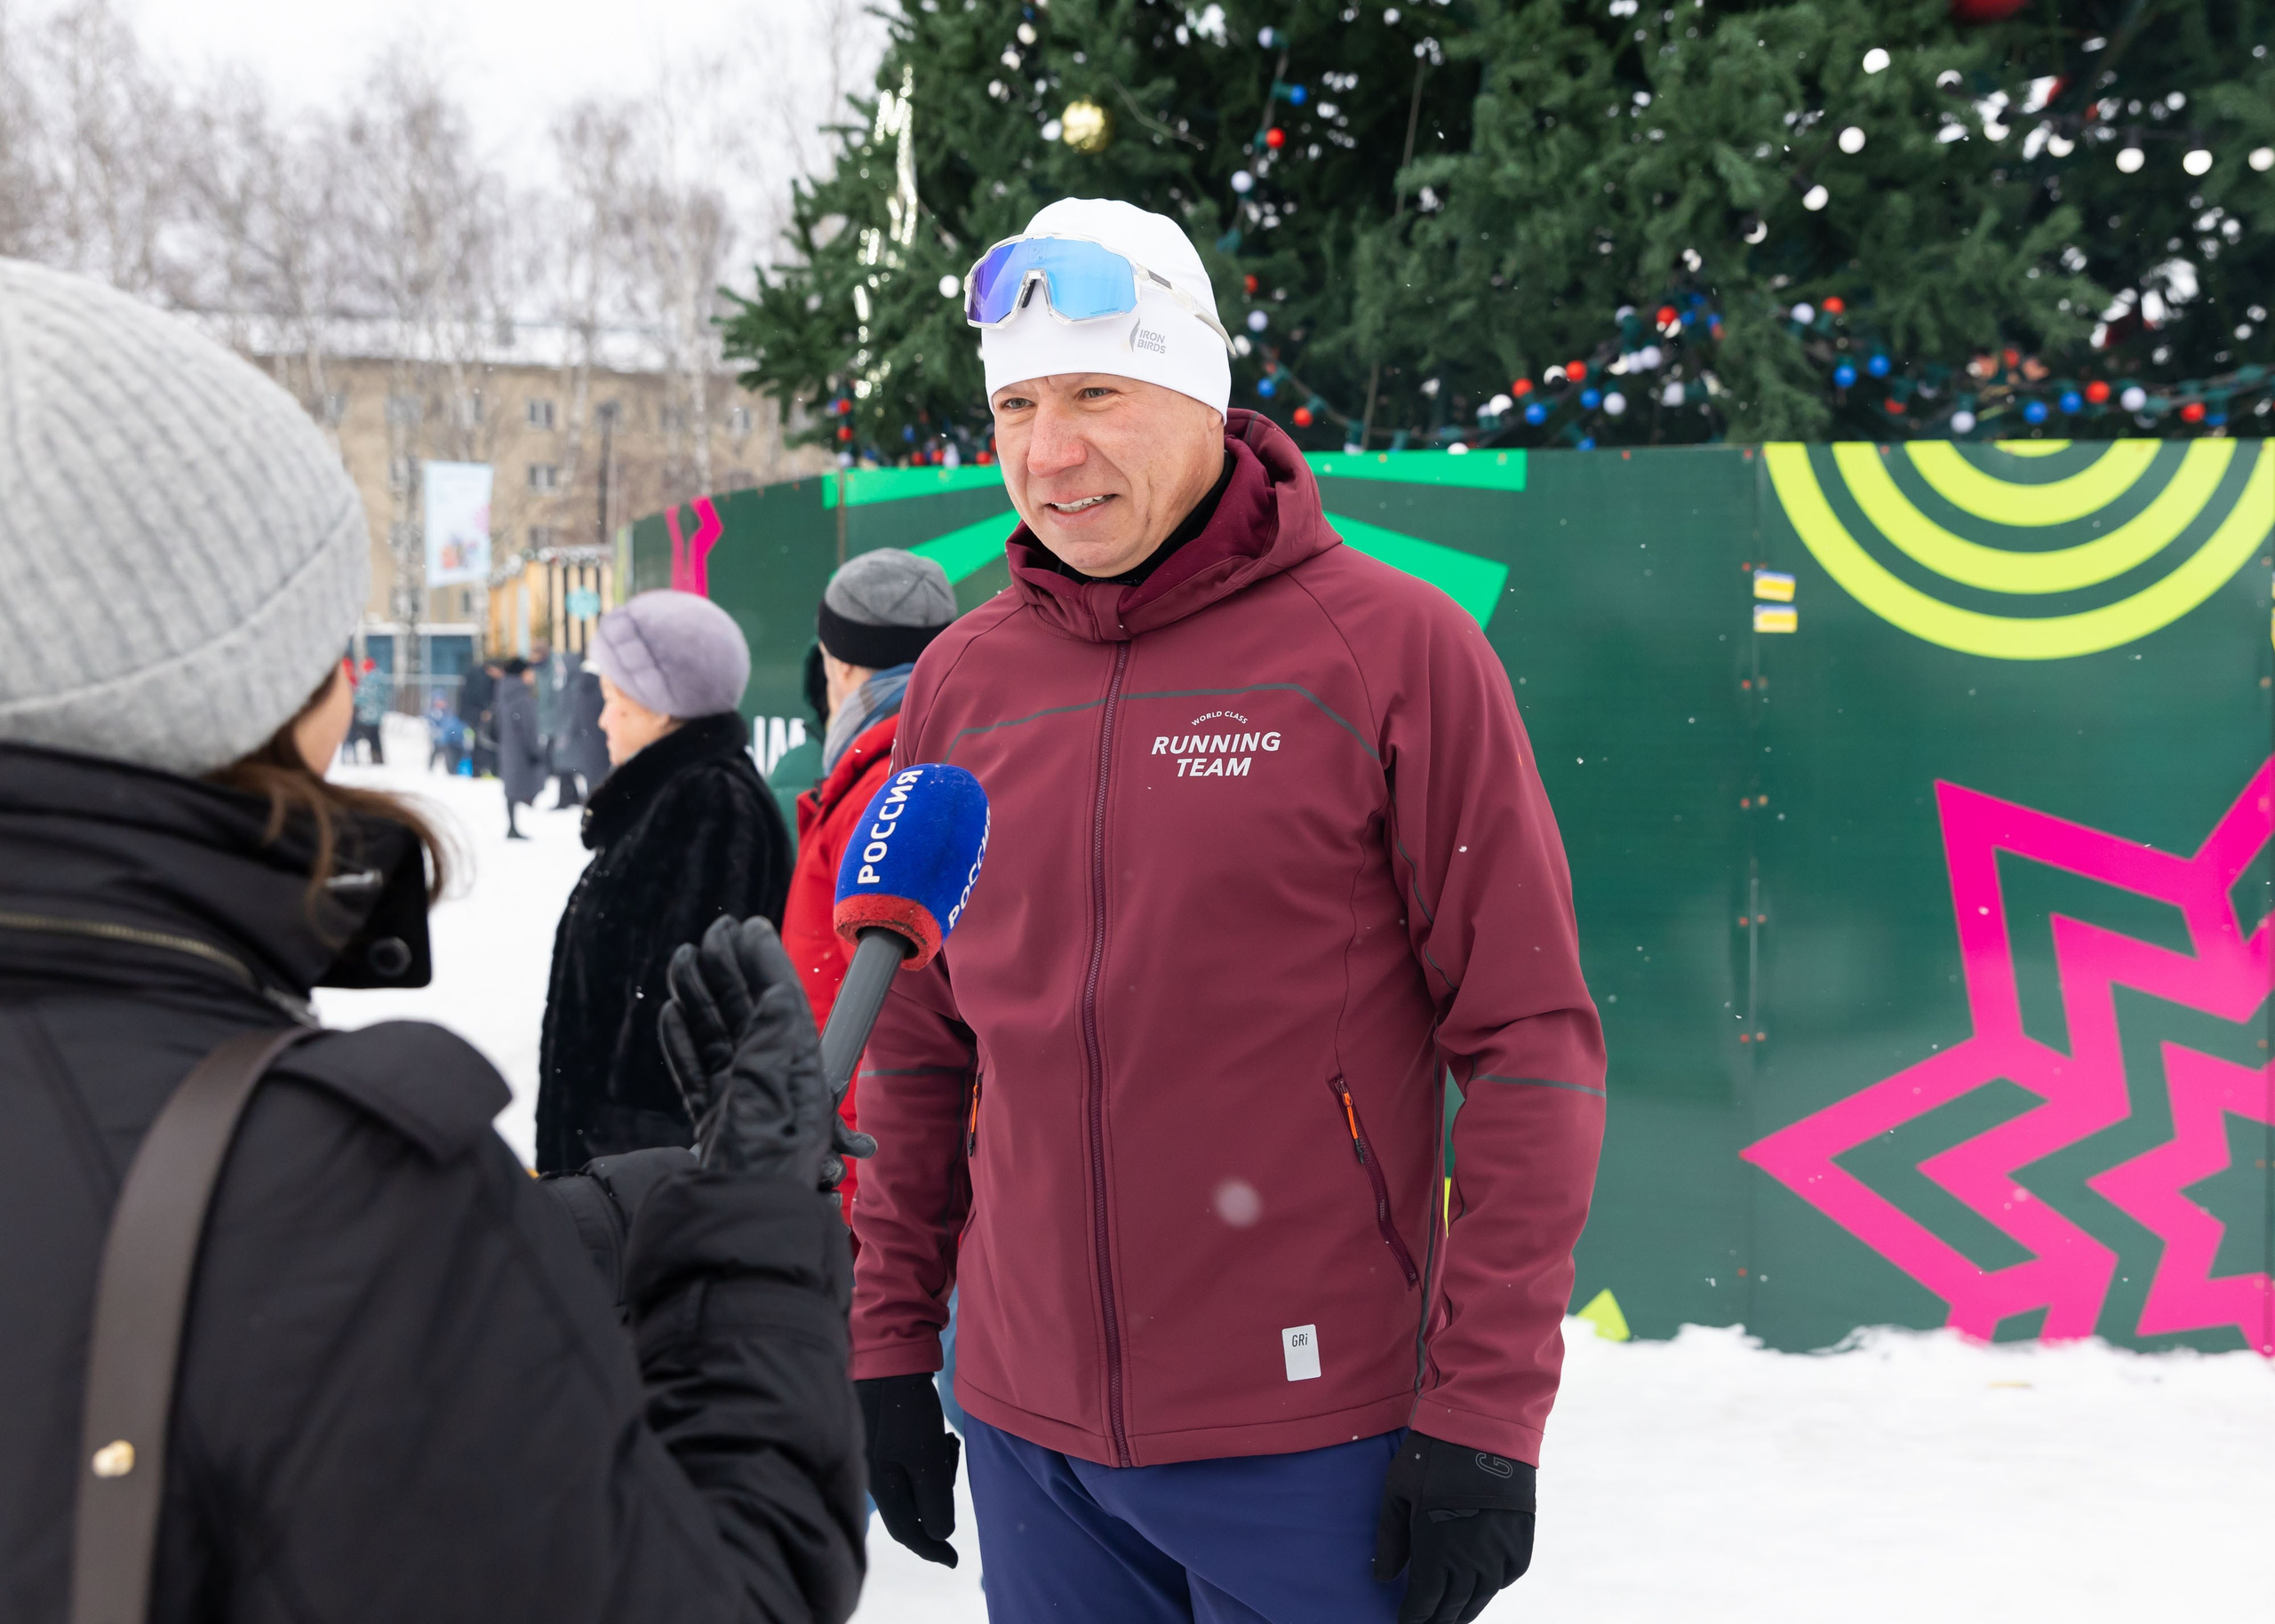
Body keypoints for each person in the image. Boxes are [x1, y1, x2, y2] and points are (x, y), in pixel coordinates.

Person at [0, 256, 863, 1623]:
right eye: (323, 649)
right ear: (226, 687)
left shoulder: (696, 804)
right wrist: (745, 1226)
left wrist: (604, 1207)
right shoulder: (311, 1187)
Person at [850, 199, 1607, 1624]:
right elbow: (918, 1042)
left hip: (1311, 1442)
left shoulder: (1393, 650)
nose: (1047, 453)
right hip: (1028, 1441)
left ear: (1201, 394)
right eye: (1014, 403)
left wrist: (1488, 1414)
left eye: (1095, 395)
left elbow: (1529, 1044)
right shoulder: (962, 681)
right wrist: (888, 1338)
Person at [534, 589, 794, 1174]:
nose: (601, 720)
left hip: (640, 1183)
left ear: (657, 704)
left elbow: (679, 1012)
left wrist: (620, 1171)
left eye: (612, 700)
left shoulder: (708, 804)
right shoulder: (678, 797)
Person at [779, 548, 958, 1227]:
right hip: (866, 1152)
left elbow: (890, 1017)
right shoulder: (927, 755)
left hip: (861, 1165)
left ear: (845, 665)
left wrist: (848, 1182)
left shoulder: (882, 785)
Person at [495, 657, 545, 840]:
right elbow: (527, 727)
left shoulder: (505, 690)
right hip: (520, 749)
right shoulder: (521, 695)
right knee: (519, 786)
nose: (532, 676)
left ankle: (512, 826)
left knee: (512, 788)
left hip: (509, 747)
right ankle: (513, 827)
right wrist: (533, 749)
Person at [533, 638, 584, 809]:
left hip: (559, 726)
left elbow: (558, 702)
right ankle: (571, 795)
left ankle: (569, 796)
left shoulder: (557, 672)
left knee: (562, 763)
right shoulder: (544, 671)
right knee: (561, 763)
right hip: (554, 725)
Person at [458, 657, 499, 777]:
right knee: (479, 743)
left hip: (473, 716)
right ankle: (480, 770)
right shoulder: (480, 680)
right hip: (476, 717)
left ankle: (479, 770)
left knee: (478, 743)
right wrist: (482, 712)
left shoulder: (476, 676)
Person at [345, 655, 391, 762]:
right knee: (375, 738)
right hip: (376, 714)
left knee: (358, 735)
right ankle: (377, 758)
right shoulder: (379, 679)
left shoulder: (370, 680)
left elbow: (363, 696)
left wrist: (353, 700)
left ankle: (356, 757)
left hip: (369, 715)